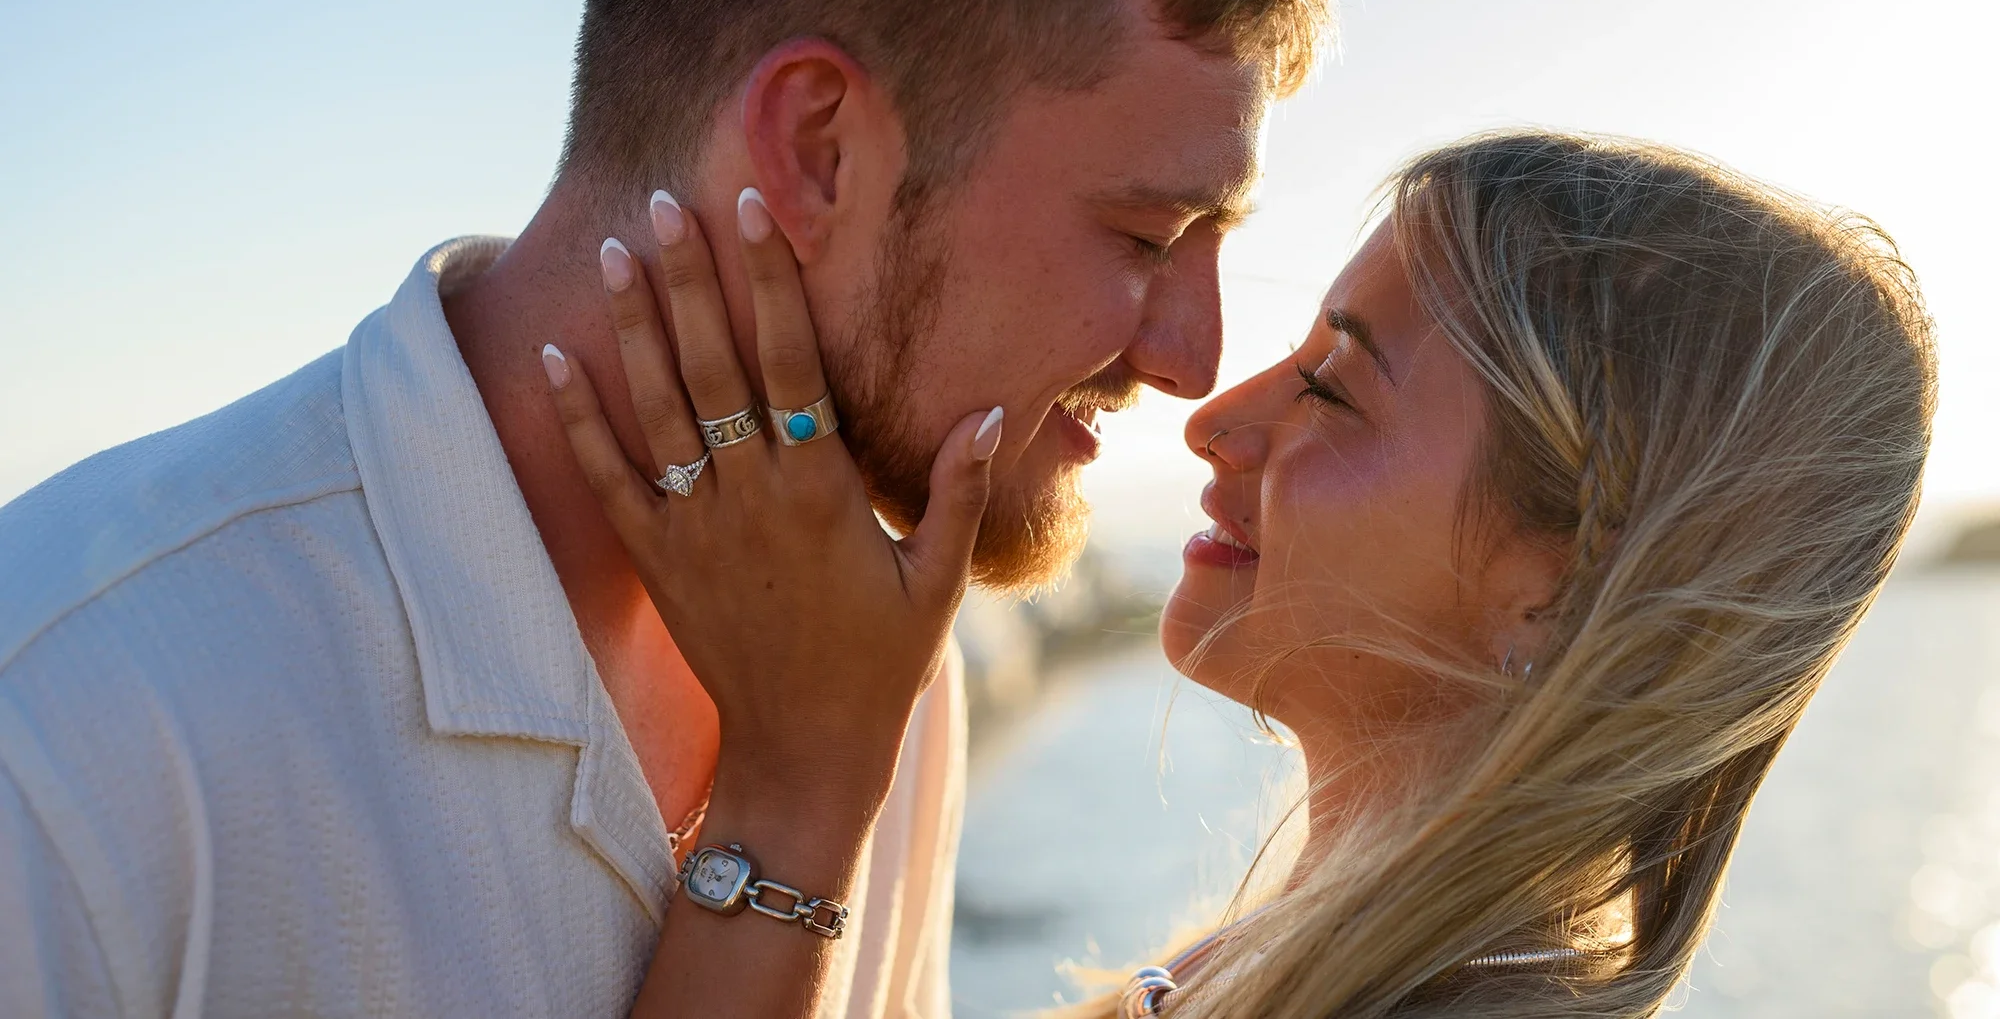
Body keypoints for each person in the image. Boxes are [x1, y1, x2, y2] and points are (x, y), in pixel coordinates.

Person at [0, 0, 1345, 1015]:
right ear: (816, 150)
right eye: (1145, 236)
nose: (1194, 360)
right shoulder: (69, 733)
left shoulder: (875, 645)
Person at [552, 130, 1935, 1017]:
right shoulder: (1314, 966)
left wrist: (798, 788)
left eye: (1331, 386)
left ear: (1564, 587)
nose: (1215, 418)